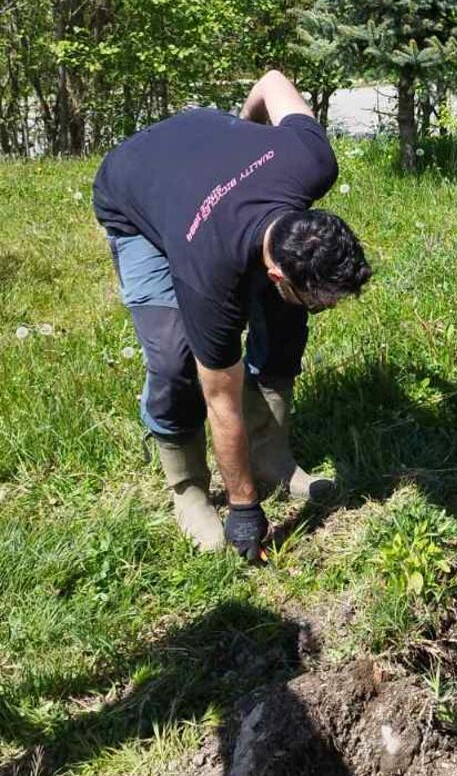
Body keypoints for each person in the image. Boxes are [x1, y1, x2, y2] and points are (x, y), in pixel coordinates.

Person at [93, 70, 371, 559]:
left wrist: (244, 131)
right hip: (135, 189)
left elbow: (272, 81)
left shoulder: (311, 160)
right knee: (174, 359)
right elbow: (220, 401)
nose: (328, 309)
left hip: (204, 146)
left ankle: (271, 457)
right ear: (277, 272)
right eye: (320, 299)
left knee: (285, 323)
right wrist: (244, 507)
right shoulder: (208, 275)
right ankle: (189, 489)